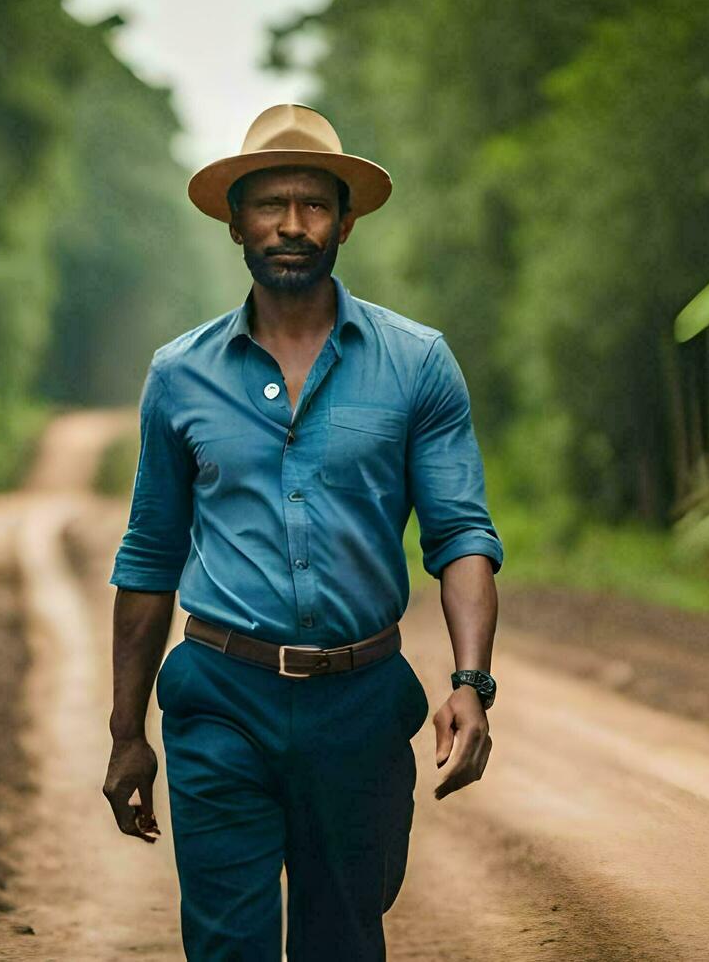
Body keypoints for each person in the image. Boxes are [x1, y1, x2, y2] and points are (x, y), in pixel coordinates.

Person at [102, 102, 503, 962]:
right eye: (270, 205)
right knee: (228, 948)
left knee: (344, 943)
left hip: (359, 706)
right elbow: (148, 558)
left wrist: (473, 681)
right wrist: (127, 735)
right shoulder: (180, 377)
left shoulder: (416, 363)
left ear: (345, 220)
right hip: (219, 697)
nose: (292, 225)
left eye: (313, 205)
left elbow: (461, 534)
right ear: (236, 221)